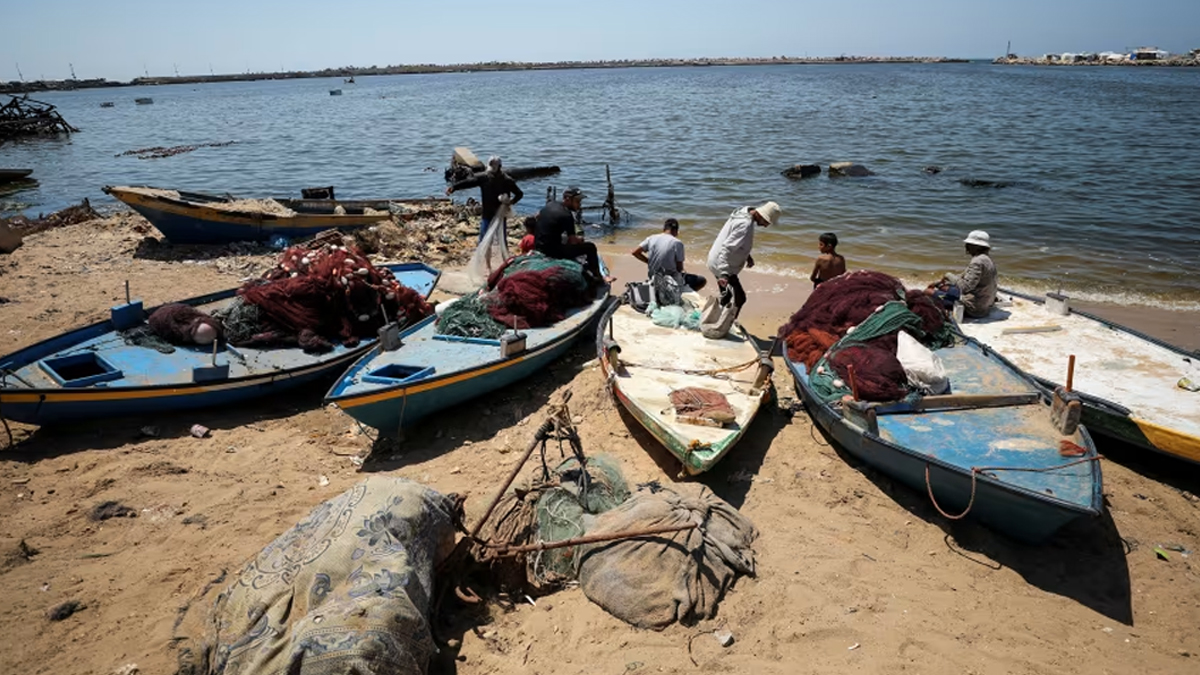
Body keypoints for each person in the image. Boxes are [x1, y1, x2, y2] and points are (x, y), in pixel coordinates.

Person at [705, 201, 781, 311]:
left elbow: (737, 241)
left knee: (727, 295)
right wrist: (724, 273)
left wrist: (747, 256)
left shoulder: (744, 212)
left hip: (717, 258)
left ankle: (719, 318)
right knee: (740, 298)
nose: (766, 226)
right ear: (761, 215)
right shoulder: (745, 225)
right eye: (767, 222)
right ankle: (726, 323)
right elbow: (726, 248)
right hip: (722, 263)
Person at [535, 186, 612, 282]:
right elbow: (573, 241)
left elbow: (537, 216)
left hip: (538, 245)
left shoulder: (550, 204)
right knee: (590, 247)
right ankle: (598, 276)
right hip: (552, 251)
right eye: (577, 201)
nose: (579, 205)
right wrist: (580, 240)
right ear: (567, 199)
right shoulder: (566, 215)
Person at [445, 155, 523, 240]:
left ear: (500, 167)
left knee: (500, 238)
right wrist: (454, 187)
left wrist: (511, 202)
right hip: (488, 214)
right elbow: (469, 182)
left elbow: (519, 194)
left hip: (500, 214)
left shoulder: (507, 180)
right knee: (485, 238)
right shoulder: (484, 177)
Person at [925, 230, 998, 318]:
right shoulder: (986, 259)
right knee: (944, 287)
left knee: (928, 292)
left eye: (969, 245)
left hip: (974, 308)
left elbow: (964, 287)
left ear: (976, 247)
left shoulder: (977, 262)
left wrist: (948, 275)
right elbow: (965, 277)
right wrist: (942, 281)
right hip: (984, 303)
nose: (966, 247)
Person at [631, 218, 707, 291]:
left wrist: (648, 261)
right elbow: (679, 268)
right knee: (702, 280)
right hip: (670, 280)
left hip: (653, 278)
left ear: (664, 229)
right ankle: (681, 292)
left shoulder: (651, 238)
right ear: (676, 231)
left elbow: (635, 252)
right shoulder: (677, 242)